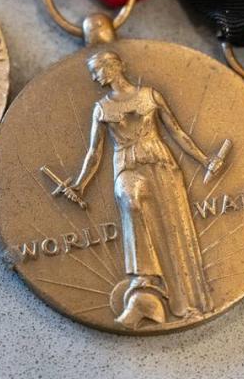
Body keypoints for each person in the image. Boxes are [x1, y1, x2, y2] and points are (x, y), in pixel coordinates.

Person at [66, 51, 224, 329]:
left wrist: (204, 159)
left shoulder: (150, 95)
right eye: (93, 72)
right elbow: (94, 153)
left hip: (160, 163)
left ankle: (178, 303)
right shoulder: (101, 108)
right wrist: (79, 184)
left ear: (114, 66)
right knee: (130, 198)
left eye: (97, 70)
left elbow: (177, 132)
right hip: (126, 163)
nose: (94, 77)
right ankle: (143, 280)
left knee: (171, 228)